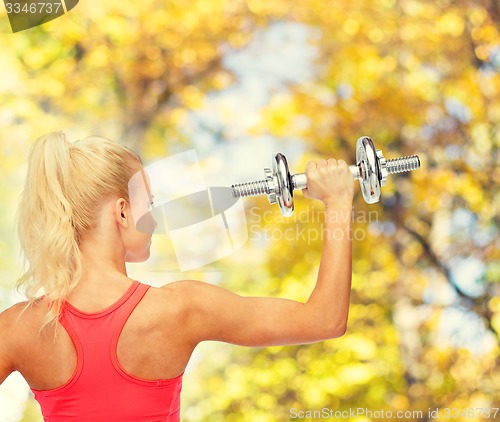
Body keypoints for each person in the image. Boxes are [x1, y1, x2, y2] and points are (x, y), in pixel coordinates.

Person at [0, 131, 354, 421]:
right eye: (149, 204)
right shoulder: (181, 308)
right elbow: (325, 320)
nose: (153, 219)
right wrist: (338, 204)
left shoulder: (20, 327)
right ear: (122, 212)